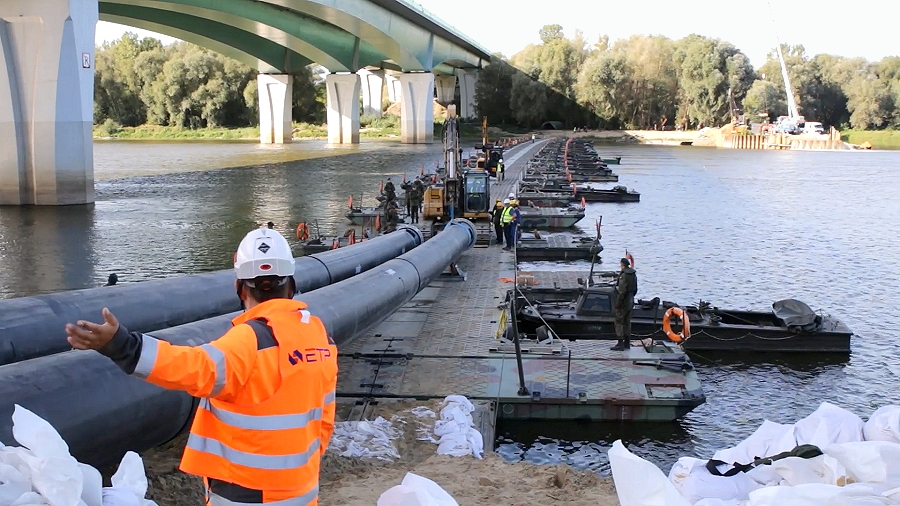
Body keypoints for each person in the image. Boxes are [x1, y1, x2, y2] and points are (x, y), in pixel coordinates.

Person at [64, 228, 338, 506]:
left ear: (240, 288)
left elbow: (191, 367)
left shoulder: (251, 341)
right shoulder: (319, 337)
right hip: (302, 488)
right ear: (291, 285)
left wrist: (122, 346)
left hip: (245, 494)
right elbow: (325, 418)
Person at [612, 257, 638, 351]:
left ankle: (620, 343)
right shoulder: (633, 274)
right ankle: (627, 343)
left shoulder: (624, 275)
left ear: (622, 264)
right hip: (631, 300)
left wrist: (618, 303)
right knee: (627, 322)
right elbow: (635, 289)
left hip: (624, 302)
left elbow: (622, 291)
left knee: (619, 321)